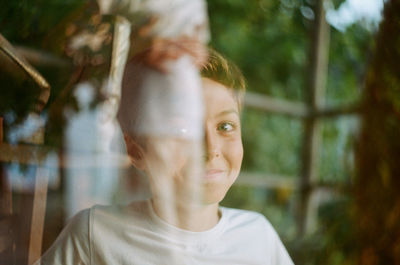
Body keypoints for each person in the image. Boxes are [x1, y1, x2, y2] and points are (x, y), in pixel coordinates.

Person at [35, 49, 294, 265]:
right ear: (136, 150)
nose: (211, 147)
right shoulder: (95, 235)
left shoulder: (258, 237)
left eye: (225, 126)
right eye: (182, 130)